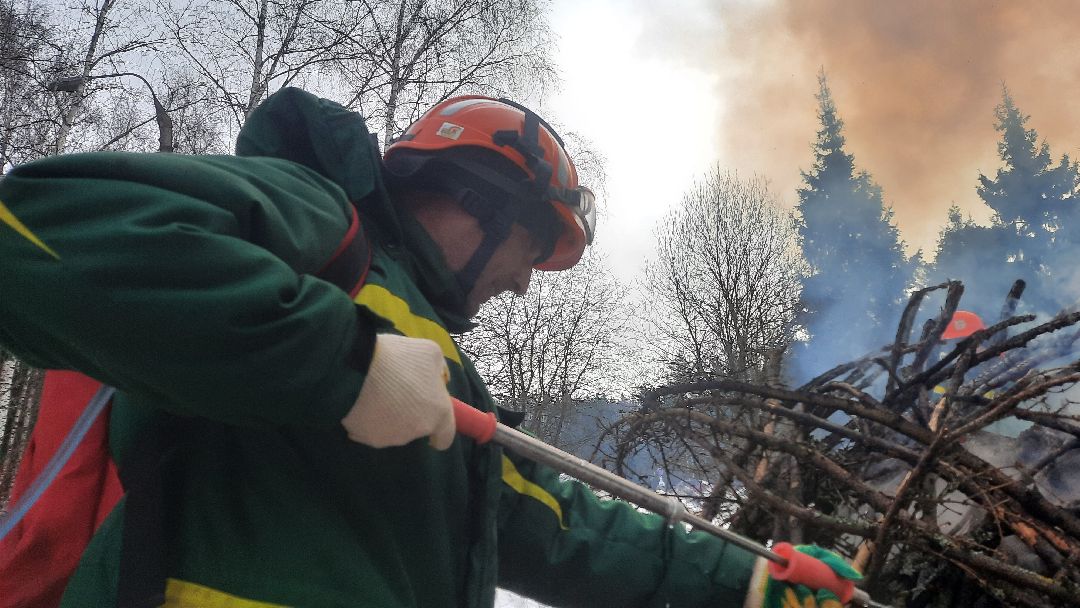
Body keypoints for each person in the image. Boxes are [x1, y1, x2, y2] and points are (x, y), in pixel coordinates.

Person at [0, 88, 858, 607]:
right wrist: (345, 367)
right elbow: (36, 230)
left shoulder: (434, 358)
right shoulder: (314, 219)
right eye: (529, 253)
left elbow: (553, 519)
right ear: (474, 202)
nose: (523, 286)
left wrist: (747, 582)